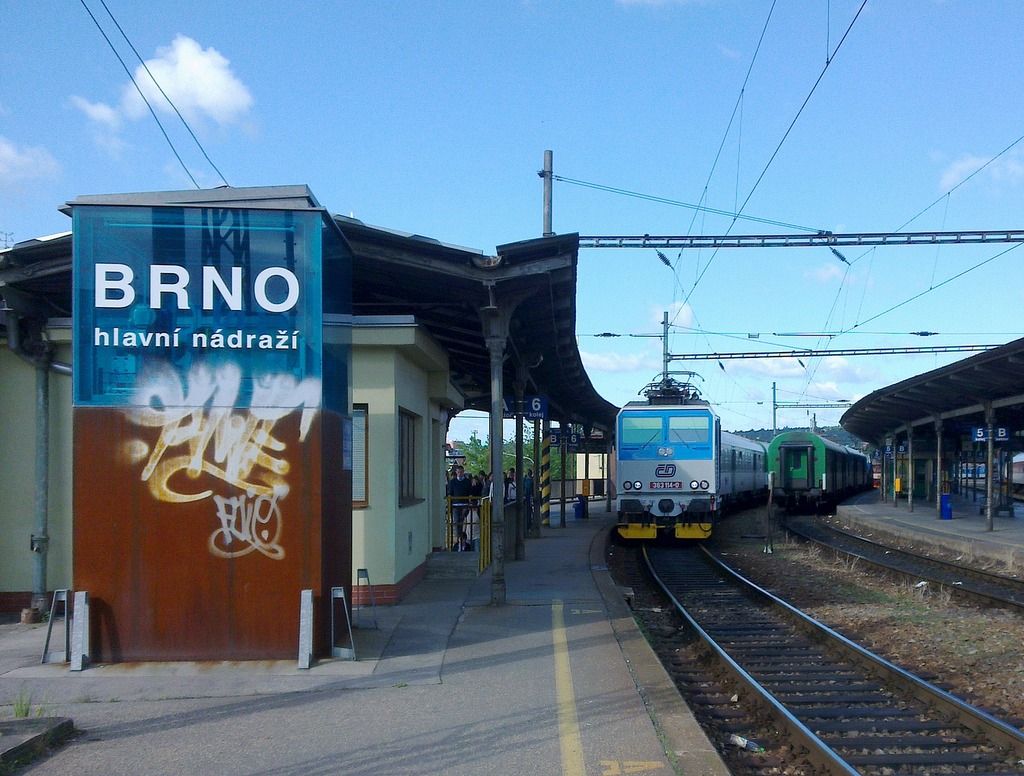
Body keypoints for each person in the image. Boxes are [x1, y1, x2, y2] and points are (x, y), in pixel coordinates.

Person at [447, 465, 472, 540]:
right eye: (458, 472)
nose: (460, 474)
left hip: (465, 504)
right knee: (456, 521)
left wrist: (469, 503)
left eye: (461, 472)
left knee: (464, 521)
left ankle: (464, 537)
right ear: (456, 472)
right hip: (455, 505)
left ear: (463, 472)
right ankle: (458, 537)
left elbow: (470, 493)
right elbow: (450, 493)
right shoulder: (452, 482)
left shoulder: (467, 482)